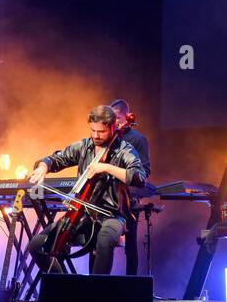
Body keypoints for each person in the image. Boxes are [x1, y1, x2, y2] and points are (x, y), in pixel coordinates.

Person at [27, 105, 147, 275]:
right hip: (82, 213)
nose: (96, 136)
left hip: (112, 215)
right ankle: (66, 289)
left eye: (102, 131)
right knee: (36, 246)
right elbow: (56, 158)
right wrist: (44, 166)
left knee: (104, 239)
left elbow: (139, 176)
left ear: (113, 127)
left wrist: (105, 168)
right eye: (93, 130)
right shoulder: (84, 146)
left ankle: (95, 294)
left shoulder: (124, 150)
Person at [110, 98, 150, 275]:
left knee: (130, 246)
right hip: (106, 199)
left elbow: (145, 170)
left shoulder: (138, 139)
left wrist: (126, 178)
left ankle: (131, 284)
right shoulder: (108, 137)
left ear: (127, 117)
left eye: (117, 117)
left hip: (128, 199)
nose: (114, 122)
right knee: (101, 243)